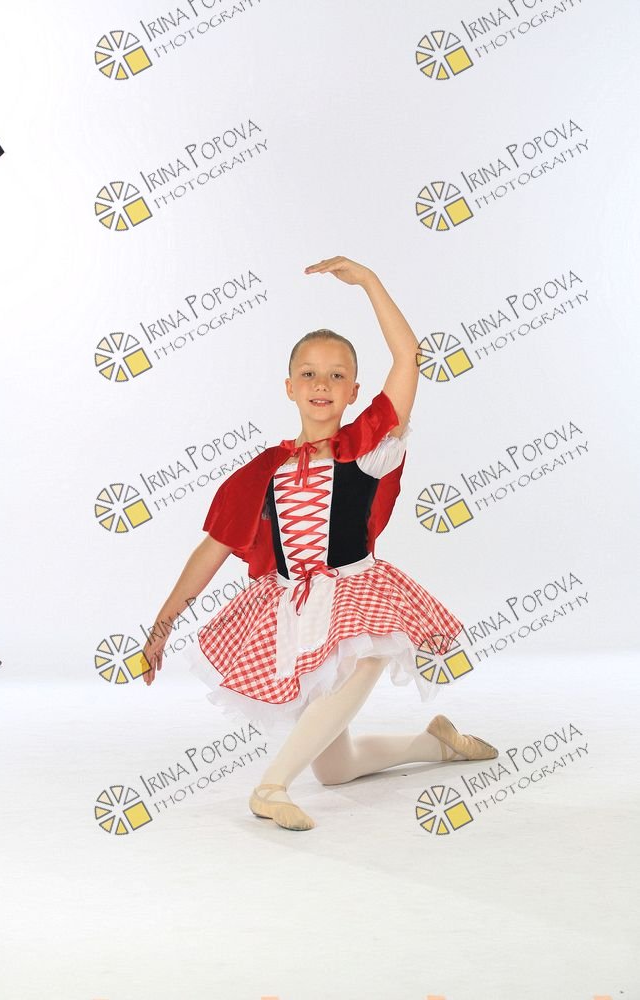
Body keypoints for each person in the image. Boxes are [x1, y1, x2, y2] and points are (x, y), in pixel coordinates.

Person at [142, 255, 498, 832]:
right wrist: (162, 625)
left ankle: (270, 787)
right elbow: (212, 550)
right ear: (289, 387)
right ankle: (436, 744)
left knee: (368, 648)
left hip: (357, 590)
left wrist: (370, 283)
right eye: (308, 374)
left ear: (354, 390)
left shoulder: (367, 448)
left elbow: (408, 358)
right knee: (337, 768)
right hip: (294, 608)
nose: (322, 384)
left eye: (336, 375)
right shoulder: (263, 471)